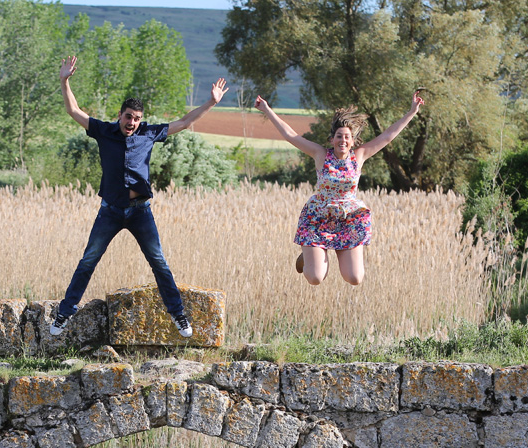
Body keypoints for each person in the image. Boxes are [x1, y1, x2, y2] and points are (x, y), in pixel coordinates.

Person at [50, 55, 229, 339]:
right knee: (88, 260)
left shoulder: (148, 133)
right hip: (109, 210)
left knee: (158, 261)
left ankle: (178, 314)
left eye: (136, 119)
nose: (132, 123)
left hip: (139, 212)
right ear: (119, 116)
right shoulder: (104, 132)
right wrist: (64, 80)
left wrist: (211, 102)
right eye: (128, 117)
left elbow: (183, 122)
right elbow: (74, 110)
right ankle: (65, 312)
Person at [254, 92, 423, 286]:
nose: (343, 140)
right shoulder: (320, 154)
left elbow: (387, 136)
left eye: (347, 137)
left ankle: (317, 253)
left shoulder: (359, 156)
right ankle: (310, 255)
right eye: (339, 136)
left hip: (348, 219)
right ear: (332, 140)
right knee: (316, 278)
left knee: (354, 278)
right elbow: (290, 135)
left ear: (352, 141)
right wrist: (267, 109)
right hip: (318, 218)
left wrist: (411, 112)